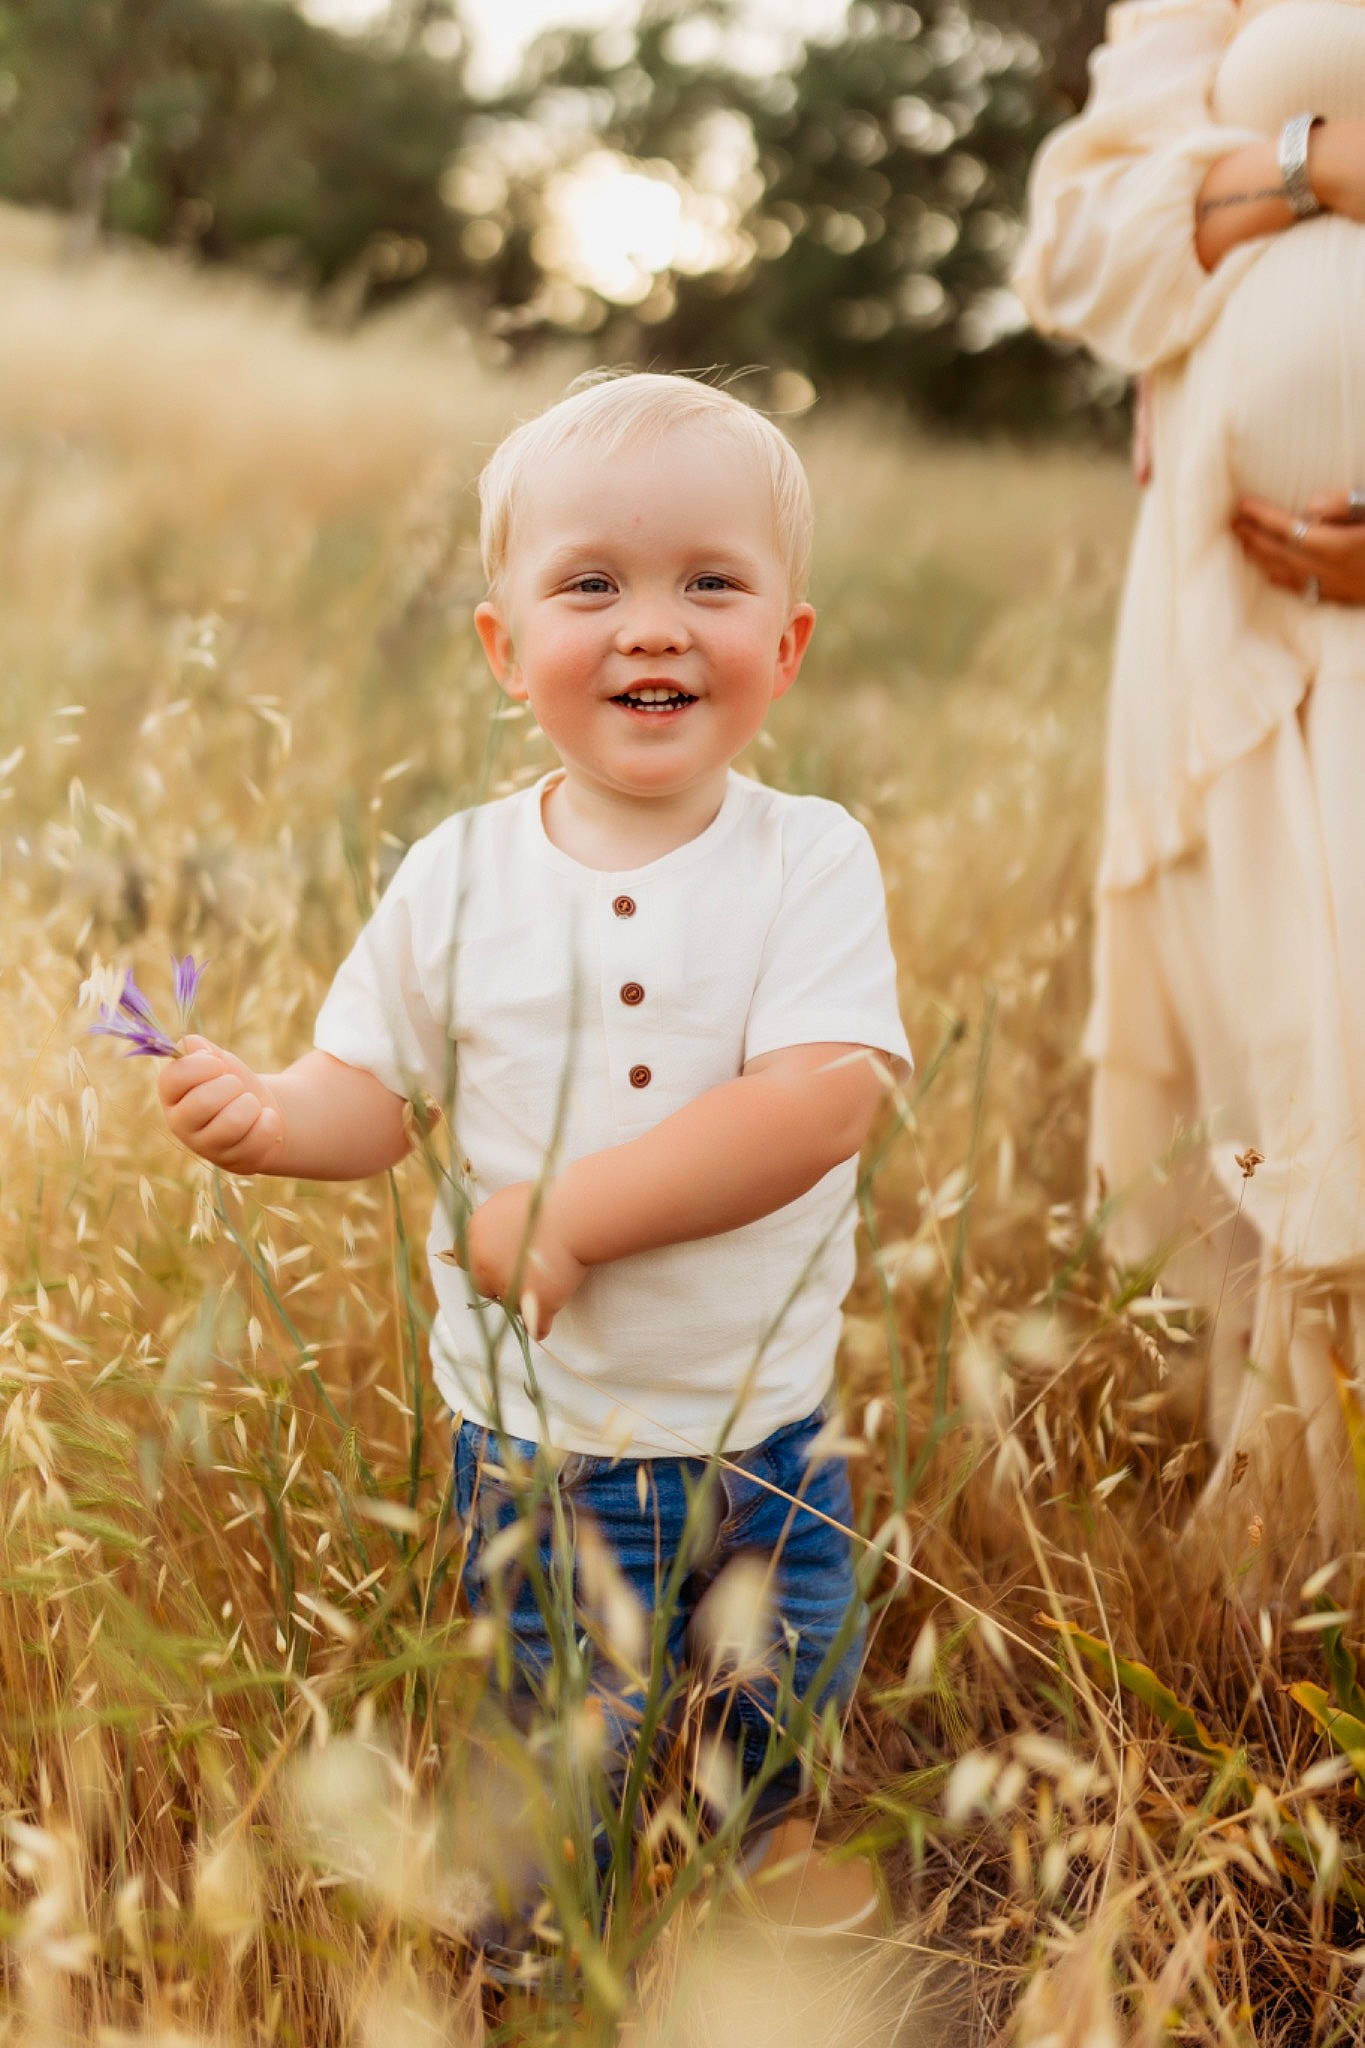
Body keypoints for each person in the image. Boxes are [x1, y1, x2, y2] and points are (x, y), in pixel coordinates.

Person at [156, 371, 911, 1962]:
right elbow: (372, 1090)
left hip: (765, 1414)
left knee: (783, 1665)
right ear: (505, 648)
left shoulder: (807, 857)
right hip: (548, 1441)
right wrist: (276, 1118)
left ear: (785, 645)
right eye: (591, 585)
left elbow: (820, 1099)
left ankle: (758, 1844)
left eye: (710, 582)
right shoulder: (459, 877)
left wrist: (571, 1214)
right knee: (555, 1697)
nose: (652, 627)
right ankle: (526, 1913)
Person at [1015, 0, 1365, 1552]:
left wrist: (1254, 183)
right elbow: (1081, 243)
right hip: (1249, 625)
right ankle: (1316, 1554)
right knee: (1292, 1049)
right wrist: (1320, 164)